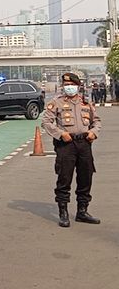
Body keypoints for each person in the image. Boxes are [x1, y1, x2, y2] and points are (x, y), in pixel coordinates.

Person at [41, 73, 101, 228]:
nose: (69, 87)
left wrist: (94, 132)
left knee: (85, 177)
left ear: (78, 86)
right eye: (66, 85)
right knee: (64, 178)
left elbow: (96, 121)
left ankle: (82, 211)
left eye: (71, 85)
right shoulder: (57, 102)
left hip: (84, 143)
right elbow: (46, 122)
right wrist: (61, 134)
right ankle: (63, 213)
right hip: (66, 144)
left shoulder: (86, 103)